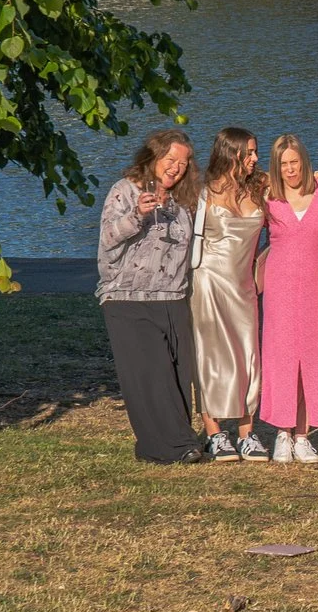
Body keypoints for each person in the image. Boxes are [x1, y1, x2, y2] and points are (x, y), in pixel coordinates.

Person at [98, 129, 204, 464]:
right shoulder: (125, 191)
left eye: (183, 163)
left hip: (173, 297)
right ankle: (174, 446)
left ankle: (168, 443)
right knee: (150, 374)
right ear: (153, 157)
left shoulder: (182, 200)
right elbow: (108, 238)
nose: (176, 168)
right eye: (171, 159)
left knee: (176, 373)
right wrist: (137, 216)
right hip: (127, 297)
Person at [258, 135, 318, 463]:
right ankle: (282, 432)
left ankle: (304, 434)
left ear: (304, 161)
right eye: (283, 164)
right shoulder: (267, 196)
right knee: (282, 357)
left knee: (316, 356)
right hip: (281, 286)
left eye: (294, 162)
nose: (290, 169)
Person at [190, 127, 266, 460]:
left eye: (255, 152)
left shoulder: (260, 187)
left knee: (249, 354)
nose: (255, 158)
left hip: (244, 284)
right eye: (249, 153)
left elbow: (304, 183)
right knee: (213, 356)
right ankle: (214, 431)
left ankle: (247, 433)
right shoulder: (201, 192)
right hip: (208, 281)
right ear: (231, 153)